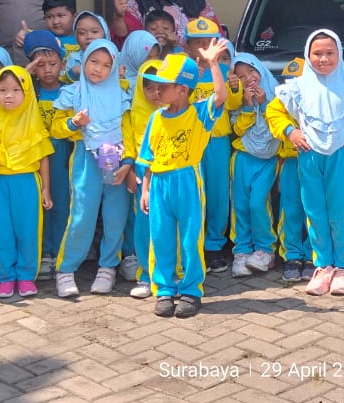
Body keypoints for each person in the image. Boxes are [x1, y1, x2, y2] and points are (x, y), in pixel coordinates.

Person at [267, 30, 344, 297]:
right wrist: (291, 132)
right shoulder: (297, 87)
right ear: (307, 56)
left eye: (329, 53)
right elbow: (274, 111)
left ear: (339, 54)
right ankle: (323, 266)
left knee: (340, 211)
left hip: (340, 156)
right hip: (308, 155)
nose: (323, 59)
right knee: (315, 210)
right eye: (317, 53)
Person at [139, 44, 231, 319]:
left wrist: (213, 64)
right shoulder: (156, 118)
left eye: (164, 86)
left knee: (191, 238)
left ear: (182, 88)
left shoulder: (199, 115)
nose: (157, 92)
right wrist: (145, 189)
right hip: (159, 185)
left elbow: (220, 95)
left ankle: (191, 290)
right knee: (161, 237)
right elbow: (148, 157)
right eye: (156, 87)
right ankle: (165, 289)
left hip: (188, 182)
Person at [50, 39, 131, 298]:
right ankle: (66, 269)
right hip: (86, 158)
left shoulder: (121, 95)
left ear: (115, 68)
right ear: (83, 61)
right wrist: (73, 123)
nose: (98, 69)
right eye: (94, 62)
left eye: (107, 65)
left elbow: (129, 131)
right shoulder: (73, 93)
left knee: (115, 216)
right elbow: (55, 128)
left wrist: (127, 162)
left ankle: (108, 267)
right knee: (82, 215)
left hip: (116, 160)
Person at [0, 66, 54, 299]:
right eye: (2, 90)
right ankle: (4, 277)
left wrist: (45, 190)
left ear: (26, 93)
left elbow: (43, 157)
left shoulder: (32, 120)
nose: (9, 95)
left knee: (28, 230)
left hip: (27, 182)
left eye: (16, 89)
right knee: (1, 231)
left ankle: (25, 275)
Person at [186, 17, 242, 272]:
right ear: (186, 46)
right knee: (193, 194)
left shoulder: (223, 71)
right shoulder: (182, 69)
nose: (202, 48)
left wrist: (235, 88)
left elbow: (231, 105)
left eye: (207, 42)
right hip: (189, 142)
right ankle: (191, 244)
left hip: (217, 141)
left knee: (218, 193)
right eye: (196, 43)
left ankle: (214, 245)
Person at [23, 31, 74, 281]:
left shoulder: (69, 90)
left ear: (63, 64)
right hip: (34, 157)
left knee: (62, 203)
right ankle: (43, 252)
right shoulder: (29, 92)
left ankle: (60, 251)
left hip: (61, 156)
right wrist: (26, 73)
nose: (47, 70)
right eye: (40, 65)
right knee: (40, 205)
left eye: (53, 63)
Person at [228, 54, 282, 278]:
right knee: (239, 204)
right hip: (242, 156)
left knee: (258, 202)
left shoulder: (276, 95)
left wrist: (265, 103)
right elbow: (238, 130)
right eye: (240, 76)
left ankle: (265, 250)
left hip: (268, 158)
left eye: (251, 72)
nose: (248, 78)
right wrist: (249, 107)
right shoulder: (239, 101)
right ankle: (241, 251)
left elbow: (278, 126)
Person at [122, 58, 165, 299]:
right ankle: (146, 275)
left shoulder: (177, 111)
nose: (155, 92)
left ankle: (170, 273)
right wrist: (129, 170)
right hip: (142, 177)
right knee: (144, 225)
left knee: (172, 225)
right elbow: (129, 144)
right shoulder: (133, 112)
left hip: (172, 175)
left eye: (160, 86)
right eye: (148, 87)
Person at [274, 56, 312, 283]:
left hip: (312, 162)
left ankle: (310, 254)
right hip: (289, 163)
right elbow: (274, 126)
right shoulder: (281, 105)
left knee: (313, 209)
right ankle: (292, 255)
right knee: (290, 210)